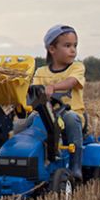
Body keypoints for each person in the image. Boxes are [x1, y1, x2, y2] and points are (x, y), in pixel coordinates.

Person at [32, 24, 87, 180]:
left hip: (73, 115)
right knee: (25, 123)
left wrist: (53, 87)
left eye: (75, 45)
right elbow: (35, 91)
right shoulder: (41, 72)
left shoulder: (76, 67)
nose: (73, 50)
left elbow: (71, 82)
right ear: (52, 49)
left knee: (70, 118)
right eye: (67, 45)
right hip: (47, 116)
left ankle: (76, 166)